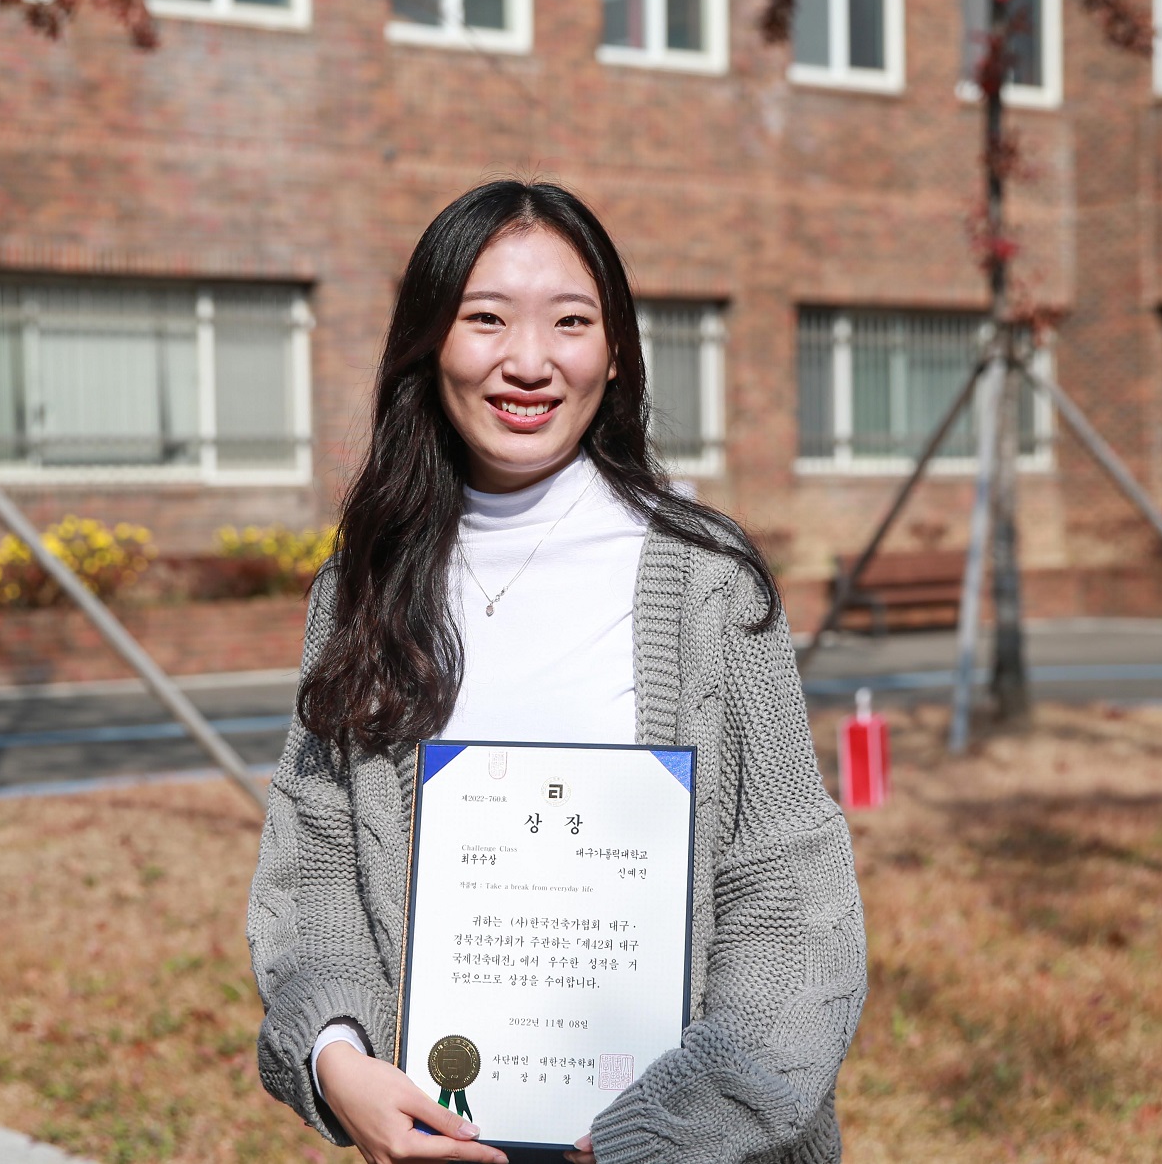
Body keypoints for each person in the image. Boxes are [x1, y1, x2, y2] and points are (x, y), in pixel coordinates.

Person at [247, 180, 866, 1164]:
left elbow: (790, 907)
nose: (528, 361)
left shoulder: (707, 581)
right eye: (484, 318)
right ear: (427, 342)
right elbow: (318, 859)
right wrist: (333, 1059)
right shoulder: (362, 583)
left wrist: (659, 1132)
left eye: (569, 322)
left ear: (613, 351)